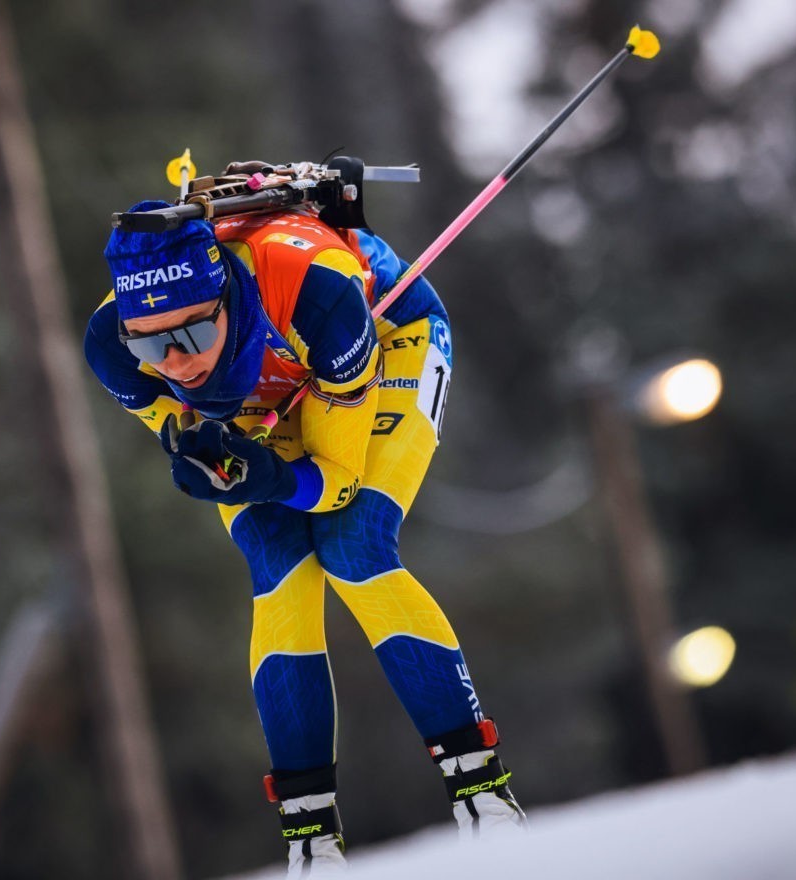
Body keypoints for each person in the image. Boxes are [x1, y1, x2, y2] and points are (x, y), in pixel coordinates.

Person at [84, 175, 525, 875]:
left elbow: (336, 477)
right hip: (268, 378)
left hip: (381, 337)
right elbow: (188, 422)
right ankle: (311, 839)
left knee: (353, 543)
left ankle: (483, 796)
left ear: (226, 297)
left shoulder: (318, 292)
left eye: (195, 331)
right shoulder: (115, 349)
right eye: (152, 346)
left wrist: (275, 477)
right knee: (278, 560)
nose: (177, 362)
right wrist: (197, 452)